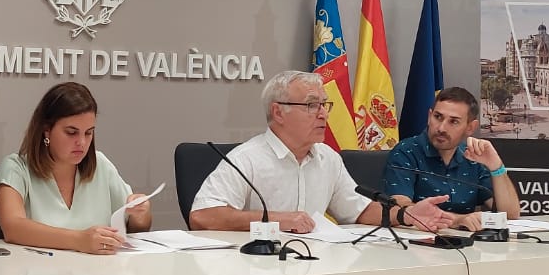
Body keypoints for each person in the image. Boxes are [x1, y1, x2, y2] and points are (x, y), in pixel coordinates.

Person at [189, 70, 454, 235]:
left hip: (314, 267)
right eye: (311, 105)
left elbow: (358, 210)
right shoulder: (246, 159)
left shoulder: (327, 157)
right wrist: (276, 221)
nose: (323, 114)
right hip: (254, 271)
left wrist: (407, 215)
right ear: (278, 112)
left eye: (324, 105)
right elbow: (202, 216)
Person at [0, 81, 152, 255]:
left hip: (99, 270)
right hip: (38, 270)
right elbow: (13, 228)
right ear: (46, 130)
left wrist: (140, 214)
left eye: (88, 132)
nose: (82, 142)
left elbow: (136, 227)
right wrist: (79, 240)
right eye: (71, 132)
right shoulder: (16, 168)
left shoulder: (101, 164)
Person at [383, 86, 521, 232]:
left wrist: (496, 166)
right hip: (418, 240)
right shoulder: (406, 151)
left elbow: (510, 215)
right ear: (429, 117)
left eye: (453, 121)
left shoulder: (473, 157)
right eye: (438, 117)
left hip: (466, 241)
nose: (441, 128)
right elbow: (401, 208)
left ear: (470, 127)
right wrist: (457, 220)